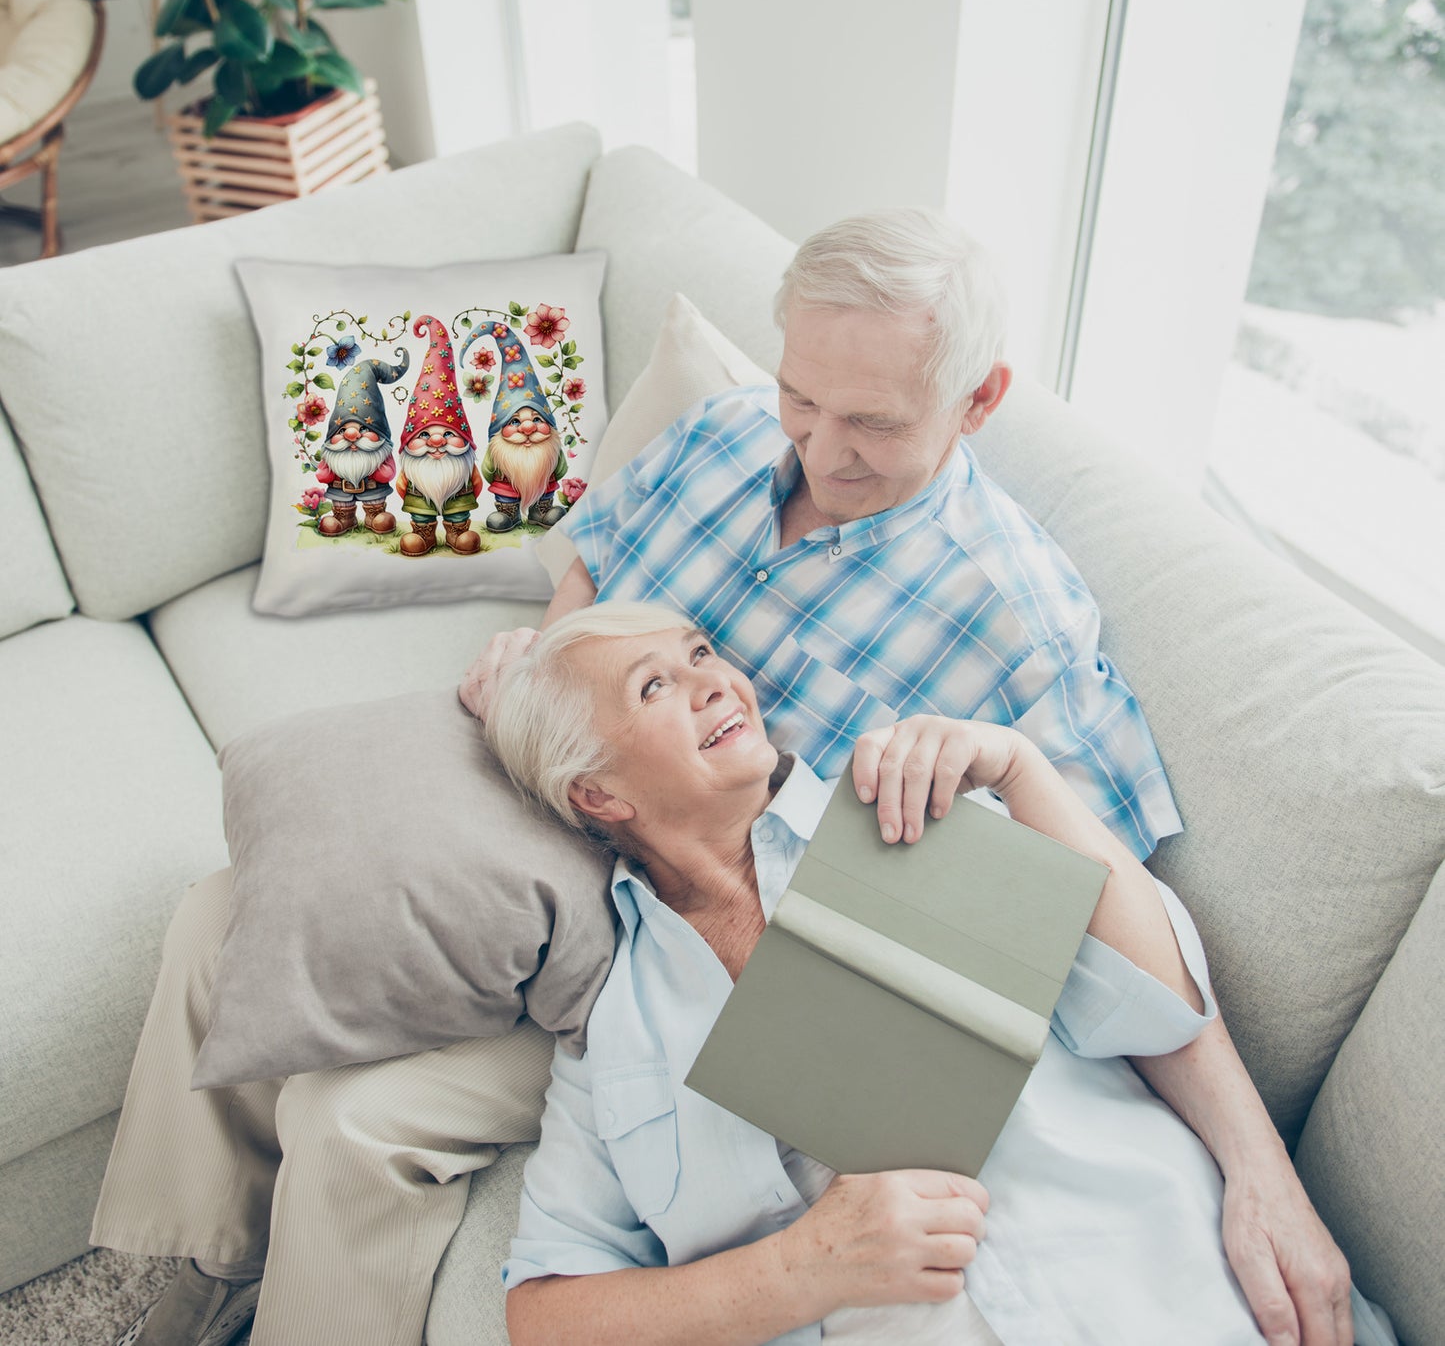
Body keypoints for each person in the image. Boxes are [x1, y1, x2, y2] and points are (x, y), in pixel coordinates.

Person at [94, 210, 1349, 1346]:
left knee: (355, 1119)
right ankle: (194, 1263)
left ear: (976, 402)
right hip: (580, 788)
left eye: (871, 421)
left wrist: (1259, 1167)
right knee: (229, 908)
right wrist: (545, 667)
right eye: (804, 396)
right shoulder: (724, 433)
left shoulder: (1017, 626)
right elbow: (592, 568)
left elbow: (1102, 920)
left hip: (693, 913)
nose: (819, 446)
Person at [488, 602, 1385, 1346]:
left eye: (700, 653)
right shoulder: (613, 1034)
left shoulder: (910, 808)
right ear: (597, 794)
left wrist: (1020, 769)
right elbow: (545, 1313)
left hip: (1175, 1294)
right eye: (656, 685)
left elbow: (1158, 1007)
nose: (715, 680)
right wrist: (802, 1268)